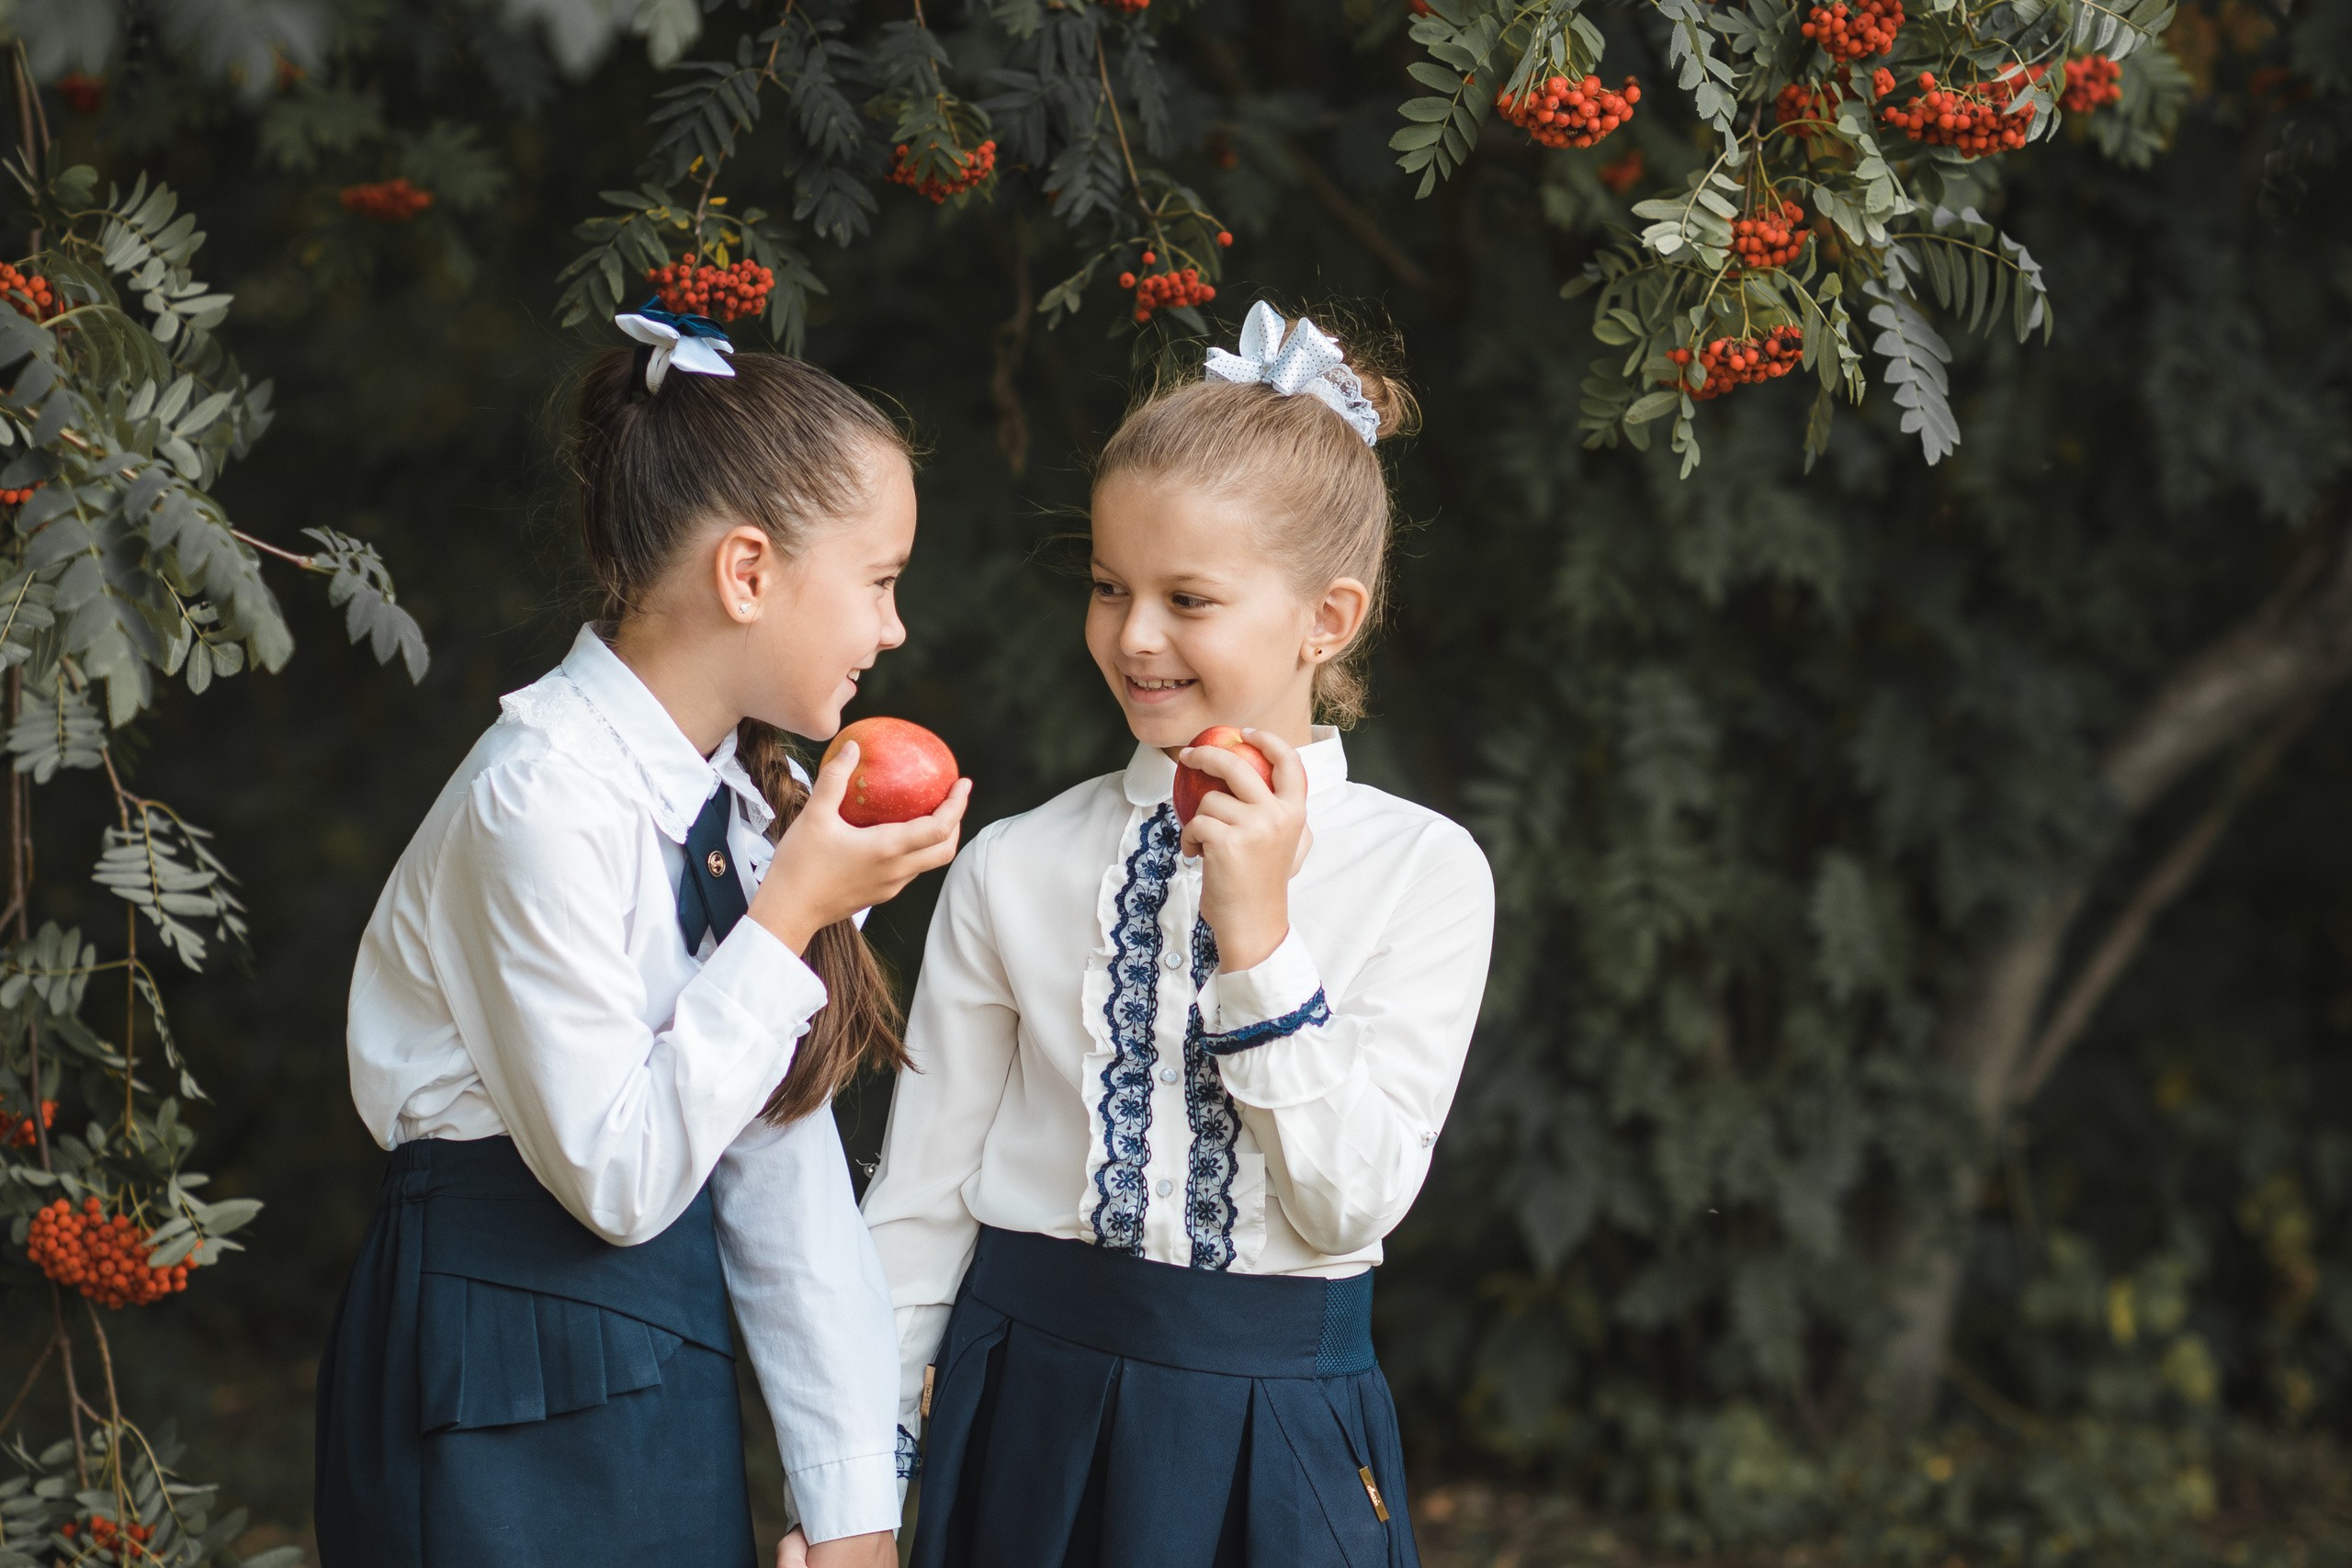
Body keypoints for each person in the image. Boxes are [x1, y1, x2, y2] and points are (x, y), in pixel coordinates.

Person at [316, 310, 967, 1568]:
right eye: (880, 581)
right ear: (747, 574)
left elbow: (778, 1165)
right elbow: (617, 1177)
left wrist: (851, 1513)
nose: (894, 629)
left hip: (657, 1374)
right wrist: (789, 919)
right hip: (487, 1383)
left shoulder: (746, 812)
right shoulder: (539, 798)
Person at [863, 300, 1496, 1567]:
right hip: (1024, 1420)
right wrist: (858, 1498)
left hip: (1279, 1432)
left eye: (1188, 597)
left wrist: (1258, 938)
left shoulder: (1423, 871)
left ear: (1328, 619)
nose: (1134, 635)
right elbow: (918, 1207)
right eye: (1109, 587)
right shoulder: (1014, 864)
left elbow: (1349, 1204)